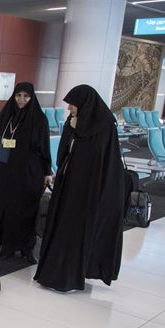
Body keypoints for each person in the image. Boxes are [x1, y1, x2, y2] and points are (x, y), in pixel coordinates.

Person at [34, 85, 124, 292]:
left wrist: (78, 130)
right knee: (62, 227)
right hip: (69, 184)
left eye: (73, 105)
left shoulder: (104, 125)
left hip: (90, 189)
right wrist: (73, 128)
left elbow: (95, 158)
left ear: (85, 104)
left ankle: (69, 276)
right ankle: (52, 273)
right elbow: (65, 153)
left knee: (77, 230)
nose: (70, 109)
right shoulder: (75, 123)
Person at [0, 82, 52, 263]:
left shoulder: (39, 119)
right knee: (4, 208)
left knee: (26, 209)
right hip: (5, 173)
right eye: (18, 96)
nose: (21, 100)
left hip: (29, 173)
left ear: (31, 97)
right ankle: (6, 246)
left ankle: (26, 247)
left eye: (25, 96)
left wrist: (47, 172)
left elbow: (45, 148)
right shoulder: (5, 117)